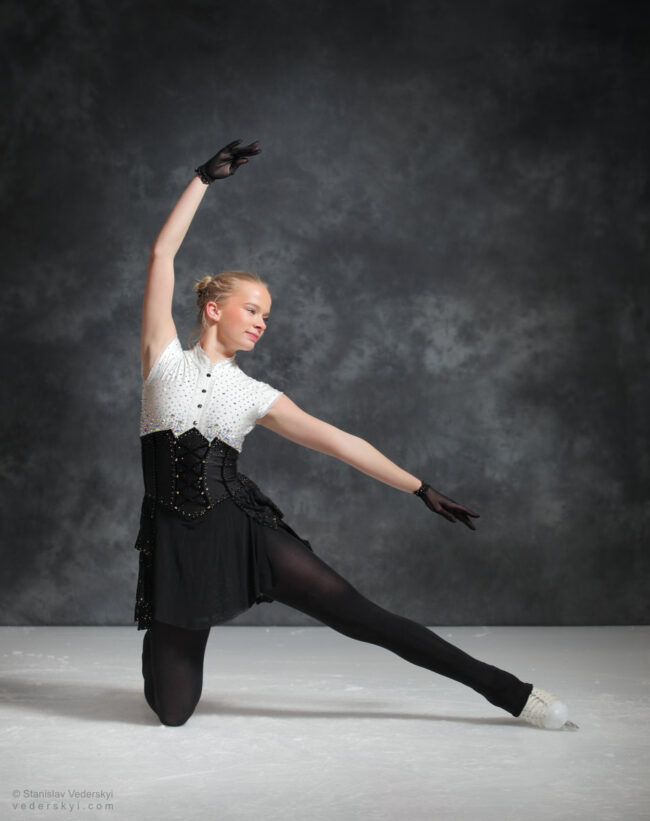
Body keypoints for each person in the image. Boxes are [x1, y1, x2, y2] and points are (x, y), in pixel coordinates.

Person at [134, 138, 573, 731]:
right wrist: (202, 180)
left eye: (268, 315)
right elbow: (163, 253)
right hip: (176, 544)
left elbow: (341, 442)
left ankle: (512, 693)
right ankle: (167, 622)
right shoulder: (162, 357)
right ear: (214, 308)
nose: (263, 323)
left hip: (242, 530)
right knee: (171, 712)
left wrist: (420, 488)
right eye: (253, 310)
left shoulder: (255, 395)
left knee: (361, 615)